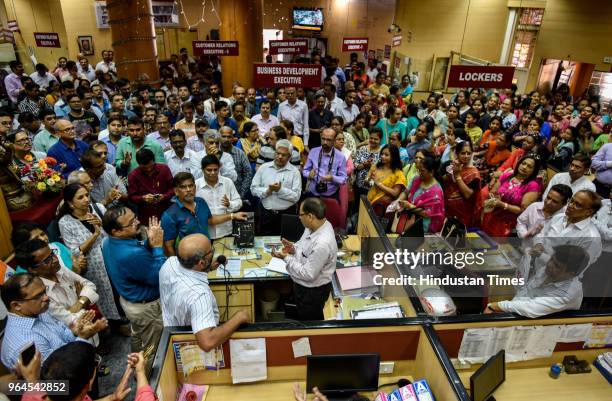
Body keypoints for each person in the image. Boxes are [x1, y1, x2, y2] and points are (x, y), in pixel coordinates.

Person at [159, 233, 250, 351]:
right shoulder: (199, 295)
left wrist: (208, 268)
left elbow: (185, 276)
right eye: (211, 250)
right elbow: (207, 342)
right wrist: (240, 317)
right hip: (191, 346)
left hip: (172, 333)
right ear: (200, 263)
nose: (213, 251)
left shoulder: (169, 263)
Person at [101, 207, 165, 367]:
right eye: (131, 223)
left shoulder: (108, 241)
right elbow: (160, 275)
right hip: (147, 308)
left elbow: (136, 250)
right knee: (153, 347)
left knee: (137, 337)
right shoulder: (131, 255)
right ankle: (149, 380)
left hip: (130, 303)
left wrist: (147, 243)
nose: (137, 222)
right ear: (116, 231)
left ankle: (136, 366)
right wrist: (157, 246)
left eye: (135, 217)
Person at [0, 273, 107, 368]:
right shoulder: (26, 343)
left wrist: (75, 331)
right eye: (38, 296)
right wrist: (82, 338)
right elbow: (59, 373)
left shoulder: (37, 311)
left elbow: (62, 338)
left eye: (44, 291)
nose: (46, 298)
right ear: (16, 305)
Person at [58, 183, 121, 322]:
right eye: (80, 197)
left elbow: (115, 231)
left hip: (112, 258)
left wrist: (102, 224)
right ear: (70, 203)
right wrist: (95, 234)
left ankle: (124, 318)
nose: (86, 199)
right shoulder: (65, 222)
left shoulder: (98, 208)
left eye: (86, 195)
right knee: (104, 295)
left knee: (118, 289)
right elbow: (75, 251)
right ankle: (113, 323)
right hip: (94, 268)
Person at [271, 198, 337, 321]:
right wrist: (293, 248)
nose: (299, 217)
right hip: (302, 287)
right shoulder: (314, 226)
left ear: (310, 216)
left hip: (312, 293)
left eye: (301, 214)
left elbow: (308, 274)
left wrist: (286, 258)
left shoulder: (322, 243)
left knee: (308, 322)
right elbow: (303, 247)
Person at [485, 245, 589, 318]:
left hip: (535, 322)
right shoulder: (552, 268)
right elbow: (547, 258)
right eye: (551, 259)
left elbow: (530, 308)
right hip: (515, 305)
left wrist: (494, 306)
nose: (549, 265)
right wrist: (536, 253)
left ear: (571, 274)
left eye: (557, 266)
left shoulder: (568, 293)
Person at [14, 239, 98, 329]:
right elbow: (69, 322)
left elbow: (90, 285)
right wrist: (85, 299)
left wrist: (79, 303)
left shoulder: (60, 269)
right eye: (47, 261)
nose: (55, 259)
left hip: (91, 330)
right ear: (32, 270)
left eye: (53, 253)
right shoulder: (39, 294)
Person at [161, 172, 247, 255]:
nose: (188, 190)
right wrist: (175, 266)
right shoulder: (169, 215)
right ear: (176, 191)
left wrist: (233, 215)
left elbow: (210, 220)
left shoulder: (200, 202)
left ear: (195, 187)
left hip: (207, 253)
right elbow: (168, 246)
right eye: (183, 187)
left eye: (191, 186)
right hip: (188, 261)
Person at [533, 189, 603, 268]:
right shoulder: (559, 217)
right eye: (571, 201)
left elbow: (573, 268)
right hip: (536, 266)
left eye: (577, 205)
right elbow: (542, 234)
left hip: (555, 278)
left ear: (589, 212)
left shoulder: (591, 238)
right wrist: (538, 244)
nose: (570, 205)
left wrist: (541, 256)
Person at [482, 155, 542, 237]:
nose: (524, 167)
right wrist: (493, 197)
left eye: (529, 166)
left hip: (507, 224)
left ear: (533, 171)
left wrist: (502, 205)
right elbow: (493, 191)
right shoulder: (507, 175)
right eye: (523, 163)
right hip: (491, 216)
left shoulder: (532, 186)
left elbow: (522, 210)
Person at [251, 140, 302, 235]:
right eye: (278, 153)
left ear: (290, 157)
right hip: (266, 214)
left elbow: (296, 196)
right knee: (264, 245)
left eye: (284, 155)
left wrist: (280, 190)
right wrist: (268, 190)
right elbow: (253, 189)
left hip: (286, 215)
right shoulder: (263, 168)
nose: (280, 157)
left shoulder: (295, 172)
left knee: (285, 245)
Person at [195, 155, 242, 240]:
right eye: (209, 170)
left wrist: (230, 204)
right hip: (205, 233)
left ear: (219, 168)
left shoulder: (228, 182)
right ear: (202, 169)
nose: (212, 173)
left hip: (226, 231)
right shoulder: (196, 185)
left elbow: (239, 202)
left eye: (215, 170)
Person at [395, 154, 445, 233]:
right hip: (408, 219)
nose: (419, 173)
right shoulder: (416, 179)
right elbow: (406, 192)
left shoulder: (436, 191)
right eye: (419, 170)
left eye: (422, 171)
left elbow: (427, 214)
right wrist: (397, 202)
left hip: (423, 226)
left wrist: (410, 206)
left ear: (431, 172)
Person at [128, 148, 174, 223]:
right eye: (145, 168)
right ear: (138, 163)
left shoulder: (164, 169)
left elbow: (173, 189)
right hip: (146, 217)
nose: (149, 169)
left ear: (154, 160)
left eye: (150, 166)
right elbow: (132, 197)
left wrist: (164, 196)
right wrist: (143, 198)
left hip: (167, 213)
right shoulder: (133, 175)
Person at [442, 140, 481, 227]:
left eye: (469, 153)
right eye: (463, 153)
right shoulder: (452, 167)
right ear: (457, 153)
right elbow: (443, 181)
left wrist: (457, 176)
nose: (466, 156)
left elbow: (467, 194)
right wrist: (450, 172)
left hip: (463, 215)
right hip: (448, 210)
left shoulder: (474, 173)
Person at [303, 128, 347, 198]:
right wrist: (309, 175)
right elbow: (304, 171)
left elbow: (344, 179)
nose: (325, 142)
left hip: (330, 195)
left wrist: (332, 178)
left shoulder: (340, 157)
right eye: (323, 139)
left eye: (329, 140)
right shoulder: (313, 151)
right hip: (313, 193)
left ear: (334, 140)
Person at [366, 144, 407, 216]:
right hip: (368, 201)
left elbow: (395, 193)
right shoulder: (376, 167)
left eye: (386, 155)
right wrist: (367, 181)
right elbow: (367, 182)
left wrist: (379, 184)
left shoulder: (399, 174)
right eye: (382, 154)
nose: (382, 156)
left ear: (394, 157)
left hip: (382, 208)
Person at [219, 126, 252, 199]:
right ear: (219, 137)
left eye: (229, 137)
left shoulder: (240, 153)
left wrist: (241, 194)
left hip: (236, 193)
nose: (226, 139)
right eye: (223, 136)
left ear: (233, 138)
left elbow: (248, 174)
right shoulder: (215, 153)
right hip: (218, 194)